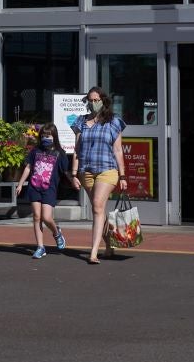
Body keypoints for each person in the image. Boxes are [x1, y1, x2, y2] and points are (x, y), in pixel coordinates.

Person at [70, 86, 126, 265]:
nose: (93, 103)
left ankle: (93, 252)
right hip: (86, 170)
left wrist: (123, 176)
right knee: (99, 210)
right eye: (90, 100)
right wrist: (74, 173)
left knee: (96, 206)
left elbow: (118, 150)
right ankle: (109, 246)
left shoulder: (113, 121)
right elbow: (77, 150)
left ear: (103, 101)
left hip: (107, 170)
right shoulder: (81, 121)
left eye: (96, 100)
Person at [11, 125, 69, 258]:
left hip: (49, 188)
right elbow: (28, 167)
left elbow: (66, 172)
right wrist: (20, 184)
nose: (45, 138)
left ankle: (56, 233)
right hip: (34, 187)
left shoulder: (60, 153)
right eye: (43, 136)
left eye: (48, 136)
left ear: (54, 137)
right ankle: (40, 247)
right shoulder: (35, 151)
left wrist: (74, 180)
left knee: (46, 217)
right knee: (36, 217)